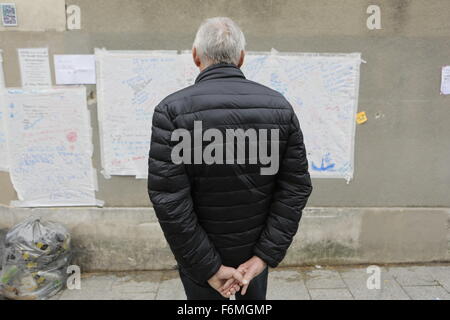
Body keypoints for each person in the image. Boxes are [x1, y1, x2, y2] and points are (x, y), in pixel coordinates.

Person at [147, 17, 312, 300]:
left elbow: (169, 198)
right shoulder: (279, 108)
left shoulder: (171, 111)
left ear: (196, 56)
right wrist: (263, 257)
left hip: (198, 257)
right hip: (253, 259)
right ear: (242, 58)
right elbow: (295, 187)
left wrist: (208, 267)